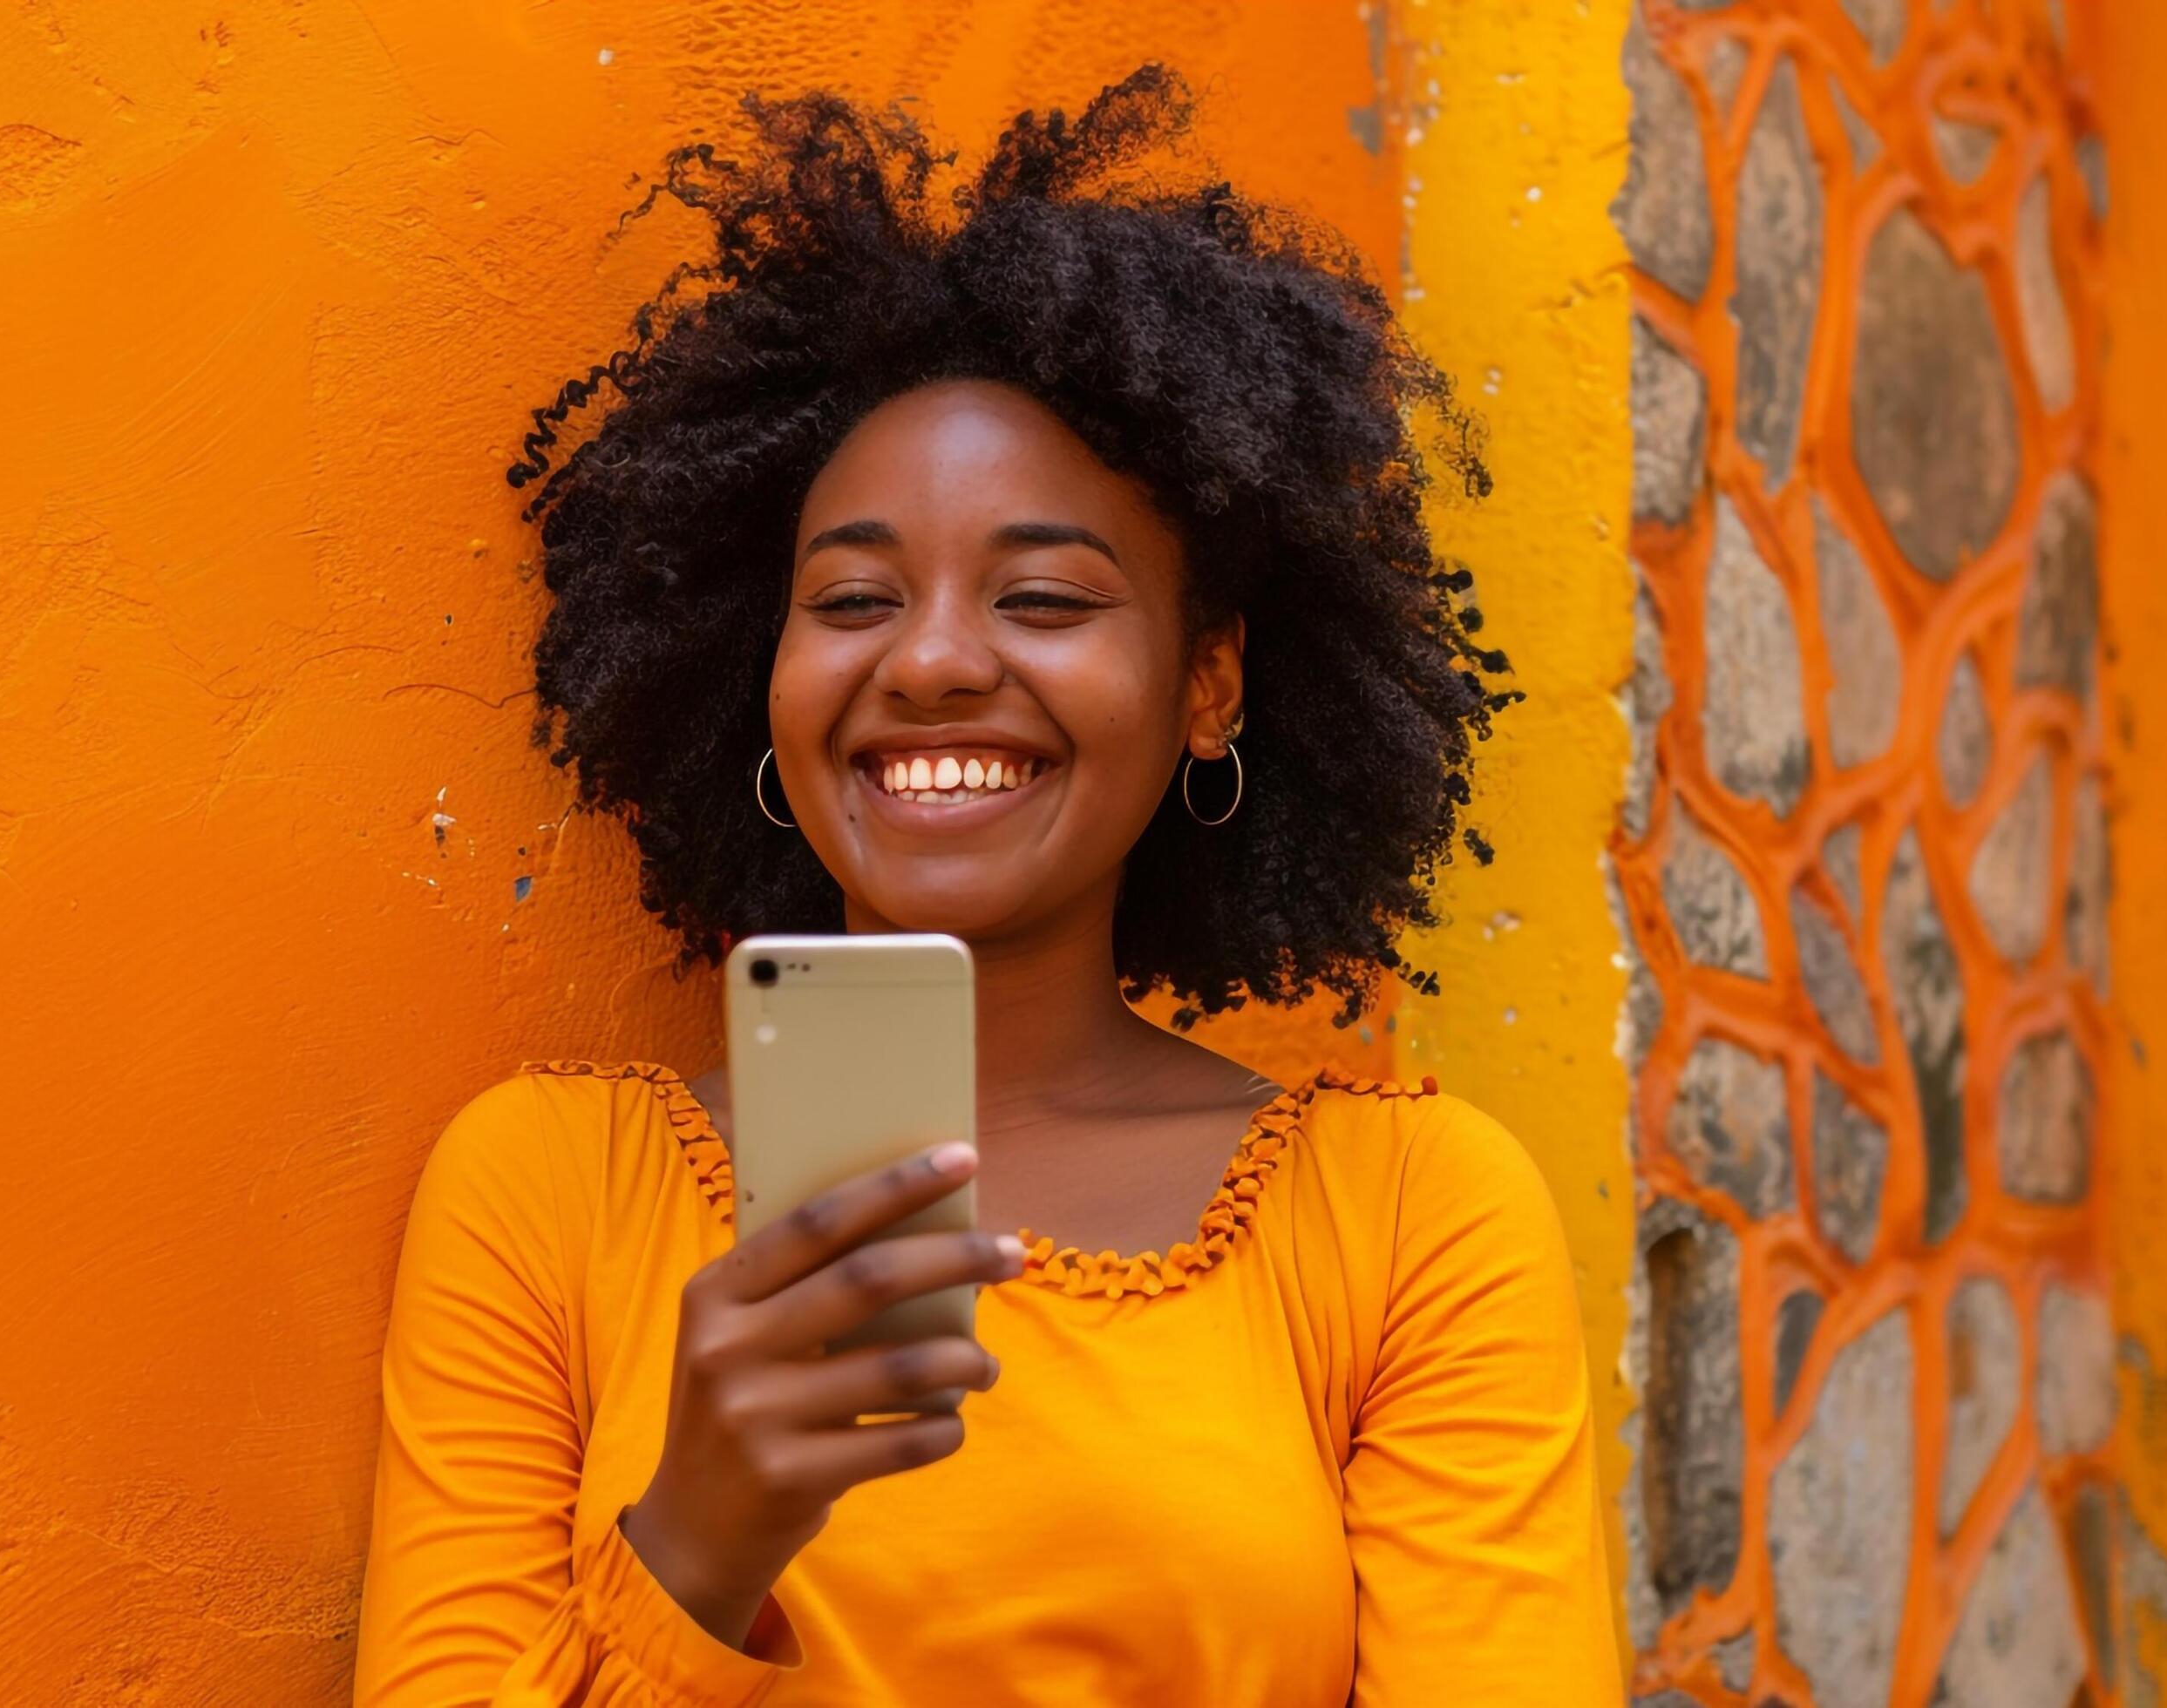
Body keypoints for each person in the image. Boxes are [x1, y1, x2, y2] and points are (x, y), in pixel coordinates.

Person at [354, 68, 1619, 1705]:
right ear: (770, 676)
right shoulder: (544, 1197)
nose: (934, 661)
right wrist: (698, 1548)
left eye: (1042, 595)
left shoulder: (1409, 1224)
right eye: (855, 595)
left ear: (1208, 684)